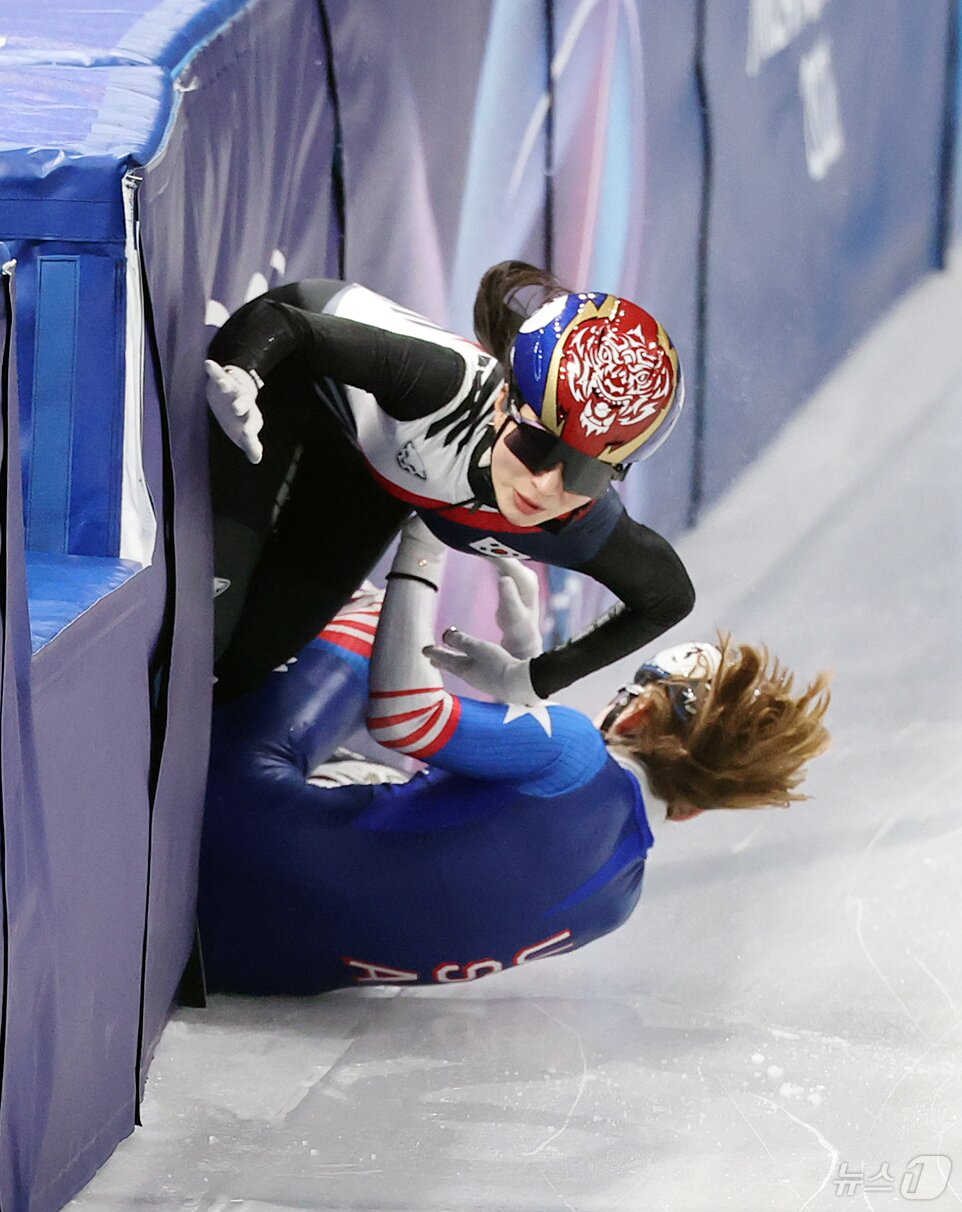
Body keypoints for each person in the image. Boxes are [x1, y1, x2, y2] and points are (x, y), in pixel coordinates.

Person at [197, 520, 830, 996]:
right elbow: (486, 837)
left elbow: (404, 716)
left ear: (634, 712)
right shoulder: (616, 904)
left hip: (216, 836)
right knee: (395, 790)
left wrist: (425, 536)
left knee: (369, 618)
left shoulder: (573, 750)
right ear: (693, 809)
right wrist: (526, 667)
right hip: (242, 963)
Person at [204, 262, 695, 705]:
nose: (547, 486)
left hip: (373, 469)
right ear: (503, 402)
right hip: (285, 375)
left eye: (587, 471)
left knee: (243, 666)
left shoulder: (581, 526)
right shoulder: (441, 385)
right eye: (537, 446)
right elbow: (283, 323)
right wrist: (244, 375)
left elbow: (669, 599)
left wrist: (529, 680)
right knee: (207, 634)